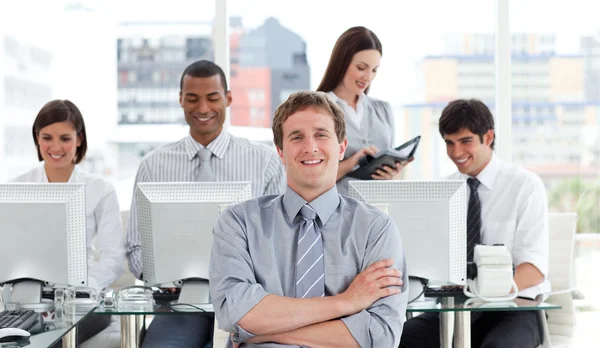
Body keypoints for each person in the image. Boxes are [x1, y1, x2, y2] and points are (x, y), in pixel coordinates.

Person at [210, 90, 409, 348]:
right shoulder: (238, 223)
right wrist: (346, 302)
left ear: (341, 148)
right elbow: (236, 313)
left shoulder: (376, 229)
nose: (310, 147)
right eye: (297, 137)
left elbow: (380, 335)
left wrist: (265, 332)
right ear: (280, 152)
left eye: (321, 134)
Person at [125, 60, 286, 348]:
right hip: (178, 303)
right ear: (180, 100)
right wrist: (160, 275)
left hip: (245, 302)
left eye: (212, 98)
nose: (202, 108)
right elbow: (136, 247)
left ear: (228, 98)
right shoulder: (153, 166)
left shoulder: (264, 163)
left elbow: (280, 240)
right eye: (192, 98)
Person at [400, 99, 549, 348]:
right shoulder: (443, 189)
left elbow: (534, 269)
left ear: (488, 137)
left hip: (515, 308)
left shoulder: (524, 186)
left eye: (465, 141)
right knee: (395, 340)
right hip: (455, 311)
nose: (456, 152)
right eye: (449, 143)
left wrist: (484, 291)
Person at [12, 99, 124, 344]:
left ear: (79, 139)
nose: (55, 147)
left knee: (52, 338)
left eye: (65, 138)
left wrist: (83, 289)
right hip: (29, 300)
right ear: (37, 138)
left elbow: (113, 257)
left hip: (82, 302)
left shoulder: (100, 189)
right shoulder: (16, 188)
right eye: (47, 137)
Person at [317, 26, 412, 195]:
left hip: (379, 208)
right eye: (361, 67)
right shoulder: (318, 109)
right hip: (337, 211)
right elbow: (311, 178)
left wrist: (393, 173)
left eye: (374, 70)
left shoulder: (383, 109)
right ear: (342, 62)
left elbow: (393, 174)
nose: (368, 77)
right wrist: (355, 161)